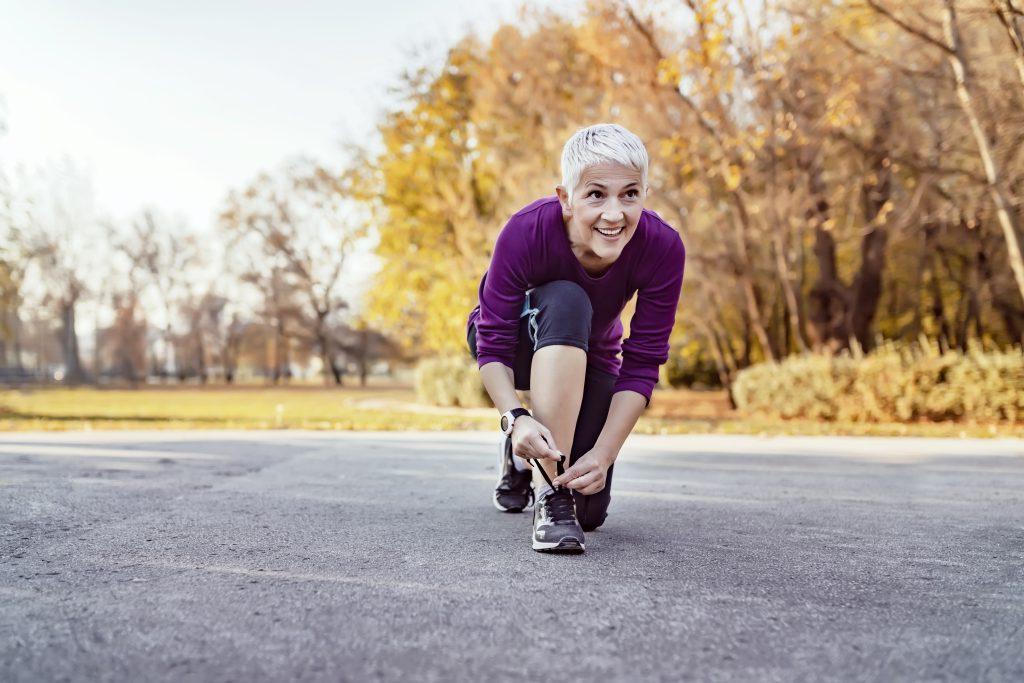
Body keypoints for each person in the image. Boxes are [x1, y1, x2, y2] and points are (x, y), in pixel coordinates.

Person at [466, 123, 686, 553]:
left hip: (593, 356)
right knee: (569, 300)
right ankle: (548, 494)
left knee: (590, 509)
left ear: (644, 193)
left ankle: (523, 457)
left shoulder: (663, 248)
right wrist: (514, 416)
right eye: (596, 194)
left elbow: (641, 363)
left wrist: (604, 454)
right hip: (516, 344)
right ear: (565, 197)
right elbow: (492, 342)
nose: (614, 213)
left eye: (630, 194)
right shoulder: (526, 230)